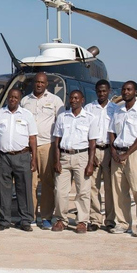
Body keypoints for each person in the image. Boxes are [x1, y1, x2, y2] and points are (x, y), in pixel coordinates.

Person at [108, 81, 137, 237]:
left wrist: (127, 153)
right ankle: (123, 223)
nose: (125, 92)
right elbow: (111, 131)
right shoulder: (118, 110)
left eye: (129, 89)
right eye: (124, 89)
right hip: (117, 155)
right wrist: (113, 150)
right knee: (119, 192)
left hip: (134, 154)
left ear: (135, 92)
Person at [0, 88, 38, 232]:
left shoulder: (27, 115)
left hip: (22, 156)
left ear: (19, 99)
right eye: (10, 97)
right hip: (2, 156)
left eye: (15, 97)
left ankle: (25, 220)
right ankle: (4, 220)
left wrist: (34, 158)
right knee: (3, 190)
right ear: (7, 98)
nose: (12, 99)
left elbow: (33, 138)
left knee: (24, 189)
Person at [20, 72, 64, 229]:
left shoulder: (55, 100)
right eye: (37, 82)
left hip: (47, 145)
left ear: (46, 85)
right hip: (28, 147)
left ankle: (46, 216)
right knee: (30, 184)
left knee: (47, 182)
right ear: (34, 83)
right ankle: (31, 216)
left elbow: (62, 121)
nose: (39, 84)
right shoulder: (25, 101)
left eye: (42, 82)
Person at [51, 90, 99, 234]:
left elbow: (92, 143)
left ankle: (82, 221)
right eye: (71, 98)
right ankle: (61, 220)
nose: (73, 100)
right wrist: (57, 160)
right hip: (64, 157)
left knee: (83, 191)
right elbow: (57, 140)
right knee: (60, 191)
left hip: (82, 157)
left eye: (76, 98)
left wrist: (90, 163)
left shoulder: (90, 118)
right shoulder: (62, 117)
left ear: (82, 100)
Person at [84, 79, 117, 231]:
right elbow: (84, 131)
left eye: (104, 91)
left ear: (109, 91)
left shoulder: (116, 109)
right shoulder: (89, 108)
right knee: (93, 187)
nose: (102, 94)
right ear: (95, 92)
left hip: (110, 150)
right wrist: (91, 155)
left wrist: (114, 153)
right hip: (94, 150)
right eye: (99, 91)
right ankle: (95, 219)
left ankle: (110, 220)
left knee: (110, 188)